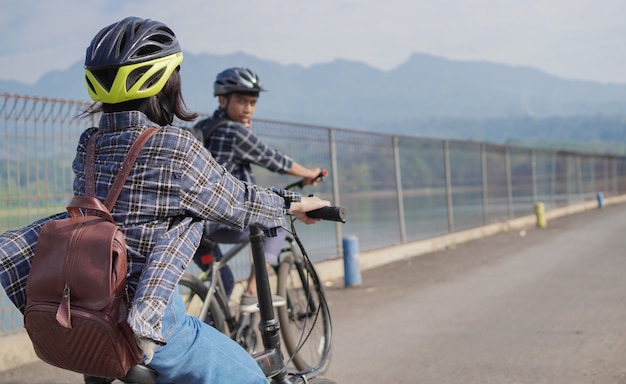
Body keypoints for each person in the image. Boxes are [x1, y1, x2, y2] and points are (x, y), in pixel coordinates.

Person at [0, 17, 330, 384]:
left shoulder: (89, 144)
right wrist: (295, 204)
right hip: (151, 319)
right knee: (249, 377)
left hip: (90, 312)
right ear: (166, 82)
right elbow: (237, 202)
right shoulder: (174, 144)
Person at [192, 67, 323, 312]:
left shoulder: (205, 126)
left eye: (252, 102)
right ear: (222, 99)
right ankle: (253, 292)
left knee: (224, 283)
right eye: (241, 101)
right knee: (278, 222)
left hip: (195, 223)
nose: (248, 109)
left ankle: (216, 334)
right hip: (219, 218)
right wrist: (309, 173)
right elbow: (273, 159)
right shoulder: (233, 131)